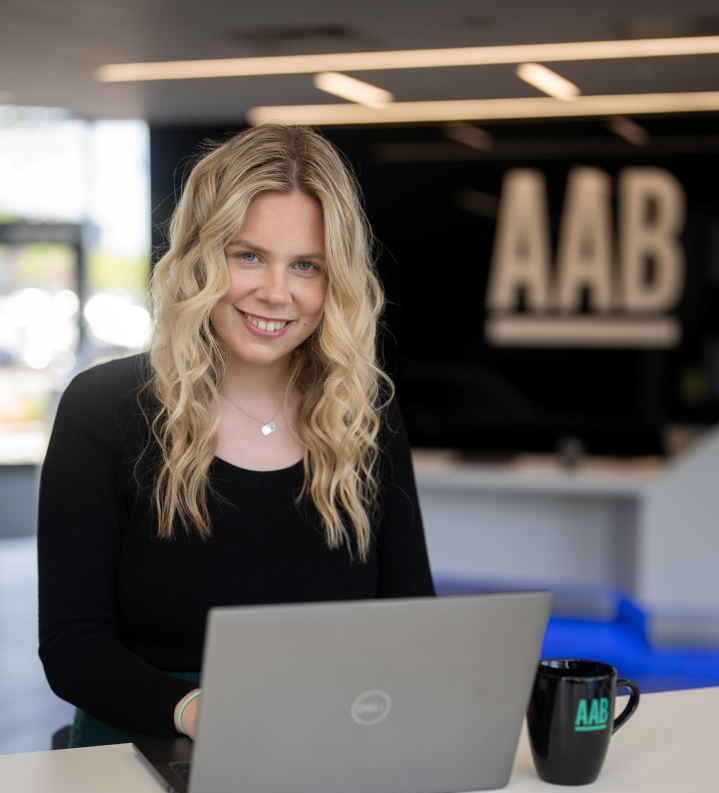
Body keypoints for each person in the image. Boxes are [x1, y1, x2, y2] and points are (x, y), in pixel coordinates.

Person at [38, 123, 435, 748]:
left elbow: (410, 620)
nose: (276, 293)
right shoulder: (103, 407)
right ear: (199, 256)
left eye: (306, 265)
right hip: (142, 751)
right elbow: (73, 644)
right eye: (247, 255)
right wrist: (198, 712)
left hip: (323, 745)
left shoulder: (364, 414)